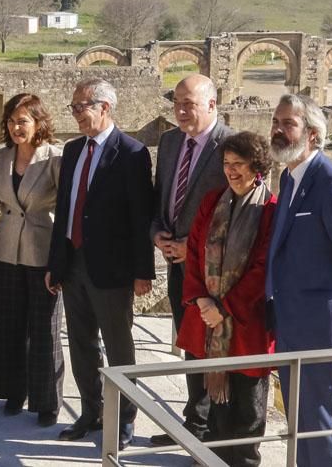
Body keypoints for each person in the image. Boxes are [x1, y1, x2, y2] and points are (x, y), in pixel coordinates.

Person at [266, 93, 332, 466]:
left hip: (322, 327)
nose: (278, 130)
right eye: (276, 122)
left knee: (323, 422)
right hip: (292, 321)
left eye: (288, 124)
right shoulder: (289, 177)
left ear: (312, 134)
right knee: (300, 421)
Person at [45, 78, 154, 451]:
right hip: (73, 264)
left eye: (81, 107)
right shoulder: (73, 150)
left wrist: (143, 271)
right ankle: (92, 411)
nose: (75, 114)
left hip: (112, 270)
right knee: (81, 344)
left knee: (119, 347)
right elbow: (65, 210)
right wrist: (55, 264)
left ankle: (123, 418)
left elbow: (141, 216)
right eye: (73, 107)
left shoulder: (132, 153)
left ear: (104, 107)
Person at [176, 132, 276, 466]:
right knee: (215, 408)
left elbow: (263, 268)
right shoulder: (211, 202)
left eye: (239, 164)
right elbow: (193, 251)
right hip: (207, 321)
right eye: (226, 164)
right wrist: (202, 300)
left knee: (248, 409)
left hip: (246, 326)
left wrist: (225, 308)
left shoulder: (270, 210)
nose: (231, 171)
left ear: (257, 166)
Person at [149, 74, 232, 447]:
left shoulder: (232, 145)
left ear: (212, 104)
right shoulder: (169, 142)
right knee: (189, 341)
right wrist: (157, 234)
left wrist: (193, 249)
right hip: (176, 263)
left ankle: (211, 429)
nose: (181, 111)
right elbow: (160, 199)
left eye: (189, 104)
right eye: (177, 103)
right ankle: (194, 422)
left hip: (213, 272)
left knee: (212, 345)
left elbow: (238, 216)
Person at [0, 93, 64, 428]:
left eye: (23, 121)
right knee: (8, 323)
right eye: (11, 121)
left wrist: (62, 260)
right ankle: (13, 391)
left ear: (38, 123)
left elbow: (66, 208)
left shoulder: (54, 158)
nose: (17, 127)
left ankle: (47, 401)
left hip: (42, 250)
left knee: (44, 328)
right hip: (5, 249)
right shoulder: (1, 158)